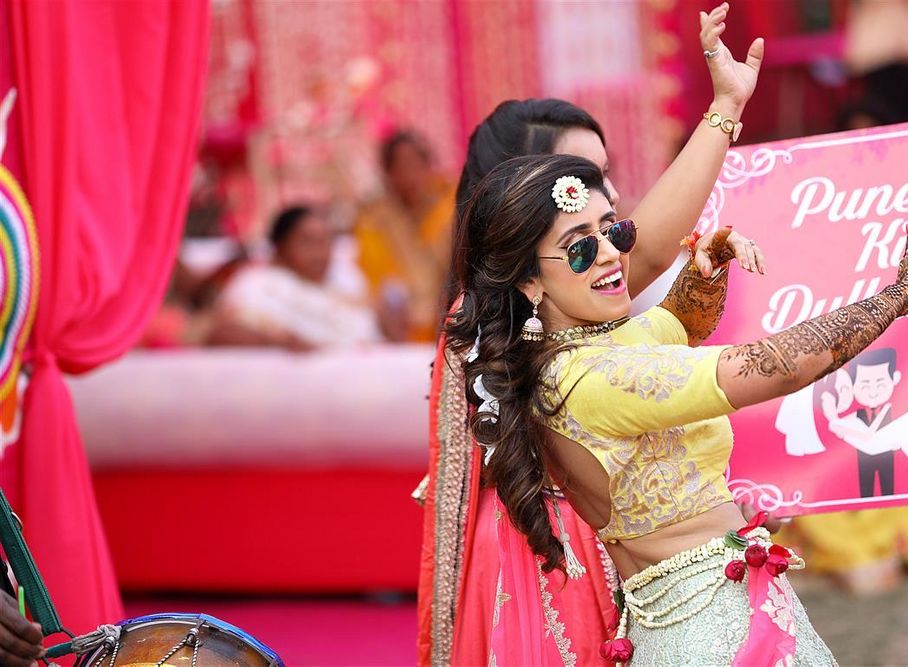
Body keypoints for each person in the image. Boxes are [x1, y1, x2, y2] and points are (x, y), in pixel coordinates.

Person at [451, 153, 908, 665]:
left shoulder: (586, 353)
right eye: (579, 248)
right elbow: (774, 367)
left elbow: (676, 324)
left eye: (615, 231)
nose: (610, 255)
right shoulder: (589, 379)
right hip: (710, 632)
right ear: (529, 281)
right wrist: (890, 301)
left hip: (717, 611)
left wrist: (705, 270)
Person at [418, 4, 769, 664]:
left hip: (612, 538)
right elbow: (656, 249)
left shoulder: (580, 275)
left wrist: (725, 108)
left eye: (601, 174)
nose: (602, 192)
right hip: (551, 563)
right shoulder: (494, 312)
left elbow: (651, 248)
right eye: (579, 178)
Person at [208, 205, 381, 350]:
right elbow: (220, 335)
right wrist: (275, 343)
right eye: (307, 241)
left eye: (325, 241)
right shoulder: (258, 283)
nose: (319, 251)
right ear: (280, 246)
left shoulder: (347, 285)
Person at [354, 130, 454, 342]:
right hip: (398, 325)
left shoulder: (451, 207)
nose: (409, 176)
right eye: (399, 168)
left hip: (450, 315)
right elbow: (375, 280)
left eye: (414, 165)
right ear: (387, 173)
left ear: (428, 166)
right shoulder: (376, 218)